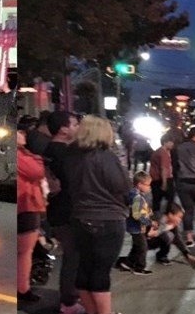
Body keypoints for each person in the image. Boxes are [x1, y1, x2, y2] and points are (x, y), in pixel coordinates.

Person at [60, 115, 129, 314]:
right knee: (101, 272)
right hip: (107, 219)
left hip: (80, 217)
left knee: (84, 268)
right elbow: (121, 185)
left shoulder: (71, 155)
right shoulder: (105, 156)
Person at [42, 110, 82, 314]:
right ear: (63, 129)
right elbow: (72, 182)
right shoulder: (60, 152)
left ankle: (72, 297)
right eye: (74, 124)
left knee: (73, 255)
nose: (77, 128)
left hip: (59, 210)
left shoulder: (52, 149)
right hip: (65, 211)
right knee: (73, 256)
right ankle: (69, 301)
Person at [16, 119, 47, 304]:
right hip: (26, 205)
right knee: (24, 252)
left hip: (25, 205)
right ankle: (22, 289)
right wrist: (37, 156)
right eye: (20, 132)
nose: (23, 135)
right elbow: (37, 171)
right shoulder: (22, 156)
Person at [117, 171, 154, 274]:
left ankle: (127, 263)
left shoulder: (133, 194)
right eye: (148, 185)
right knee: (143, 247)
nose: (149, 188)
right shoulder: (137, 197)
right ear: (140, 184)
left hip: (134, 226)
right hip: (137, 227)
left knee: (137, 246)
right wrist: (149, 222)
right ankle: (139, 267)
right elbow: (137, 215)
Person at [149, 134, 175, 214]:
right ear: (165, 142)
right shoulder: (163, 153)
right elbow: (163, 168)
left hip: (155, 180)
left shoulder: (157, 151)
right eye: (171, 142)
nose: (172, 144)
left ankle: (156, 218)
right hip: (163, 179)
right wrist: (164, 183)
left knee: (156, 200)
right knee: (170, 198)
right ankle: (167, 217)